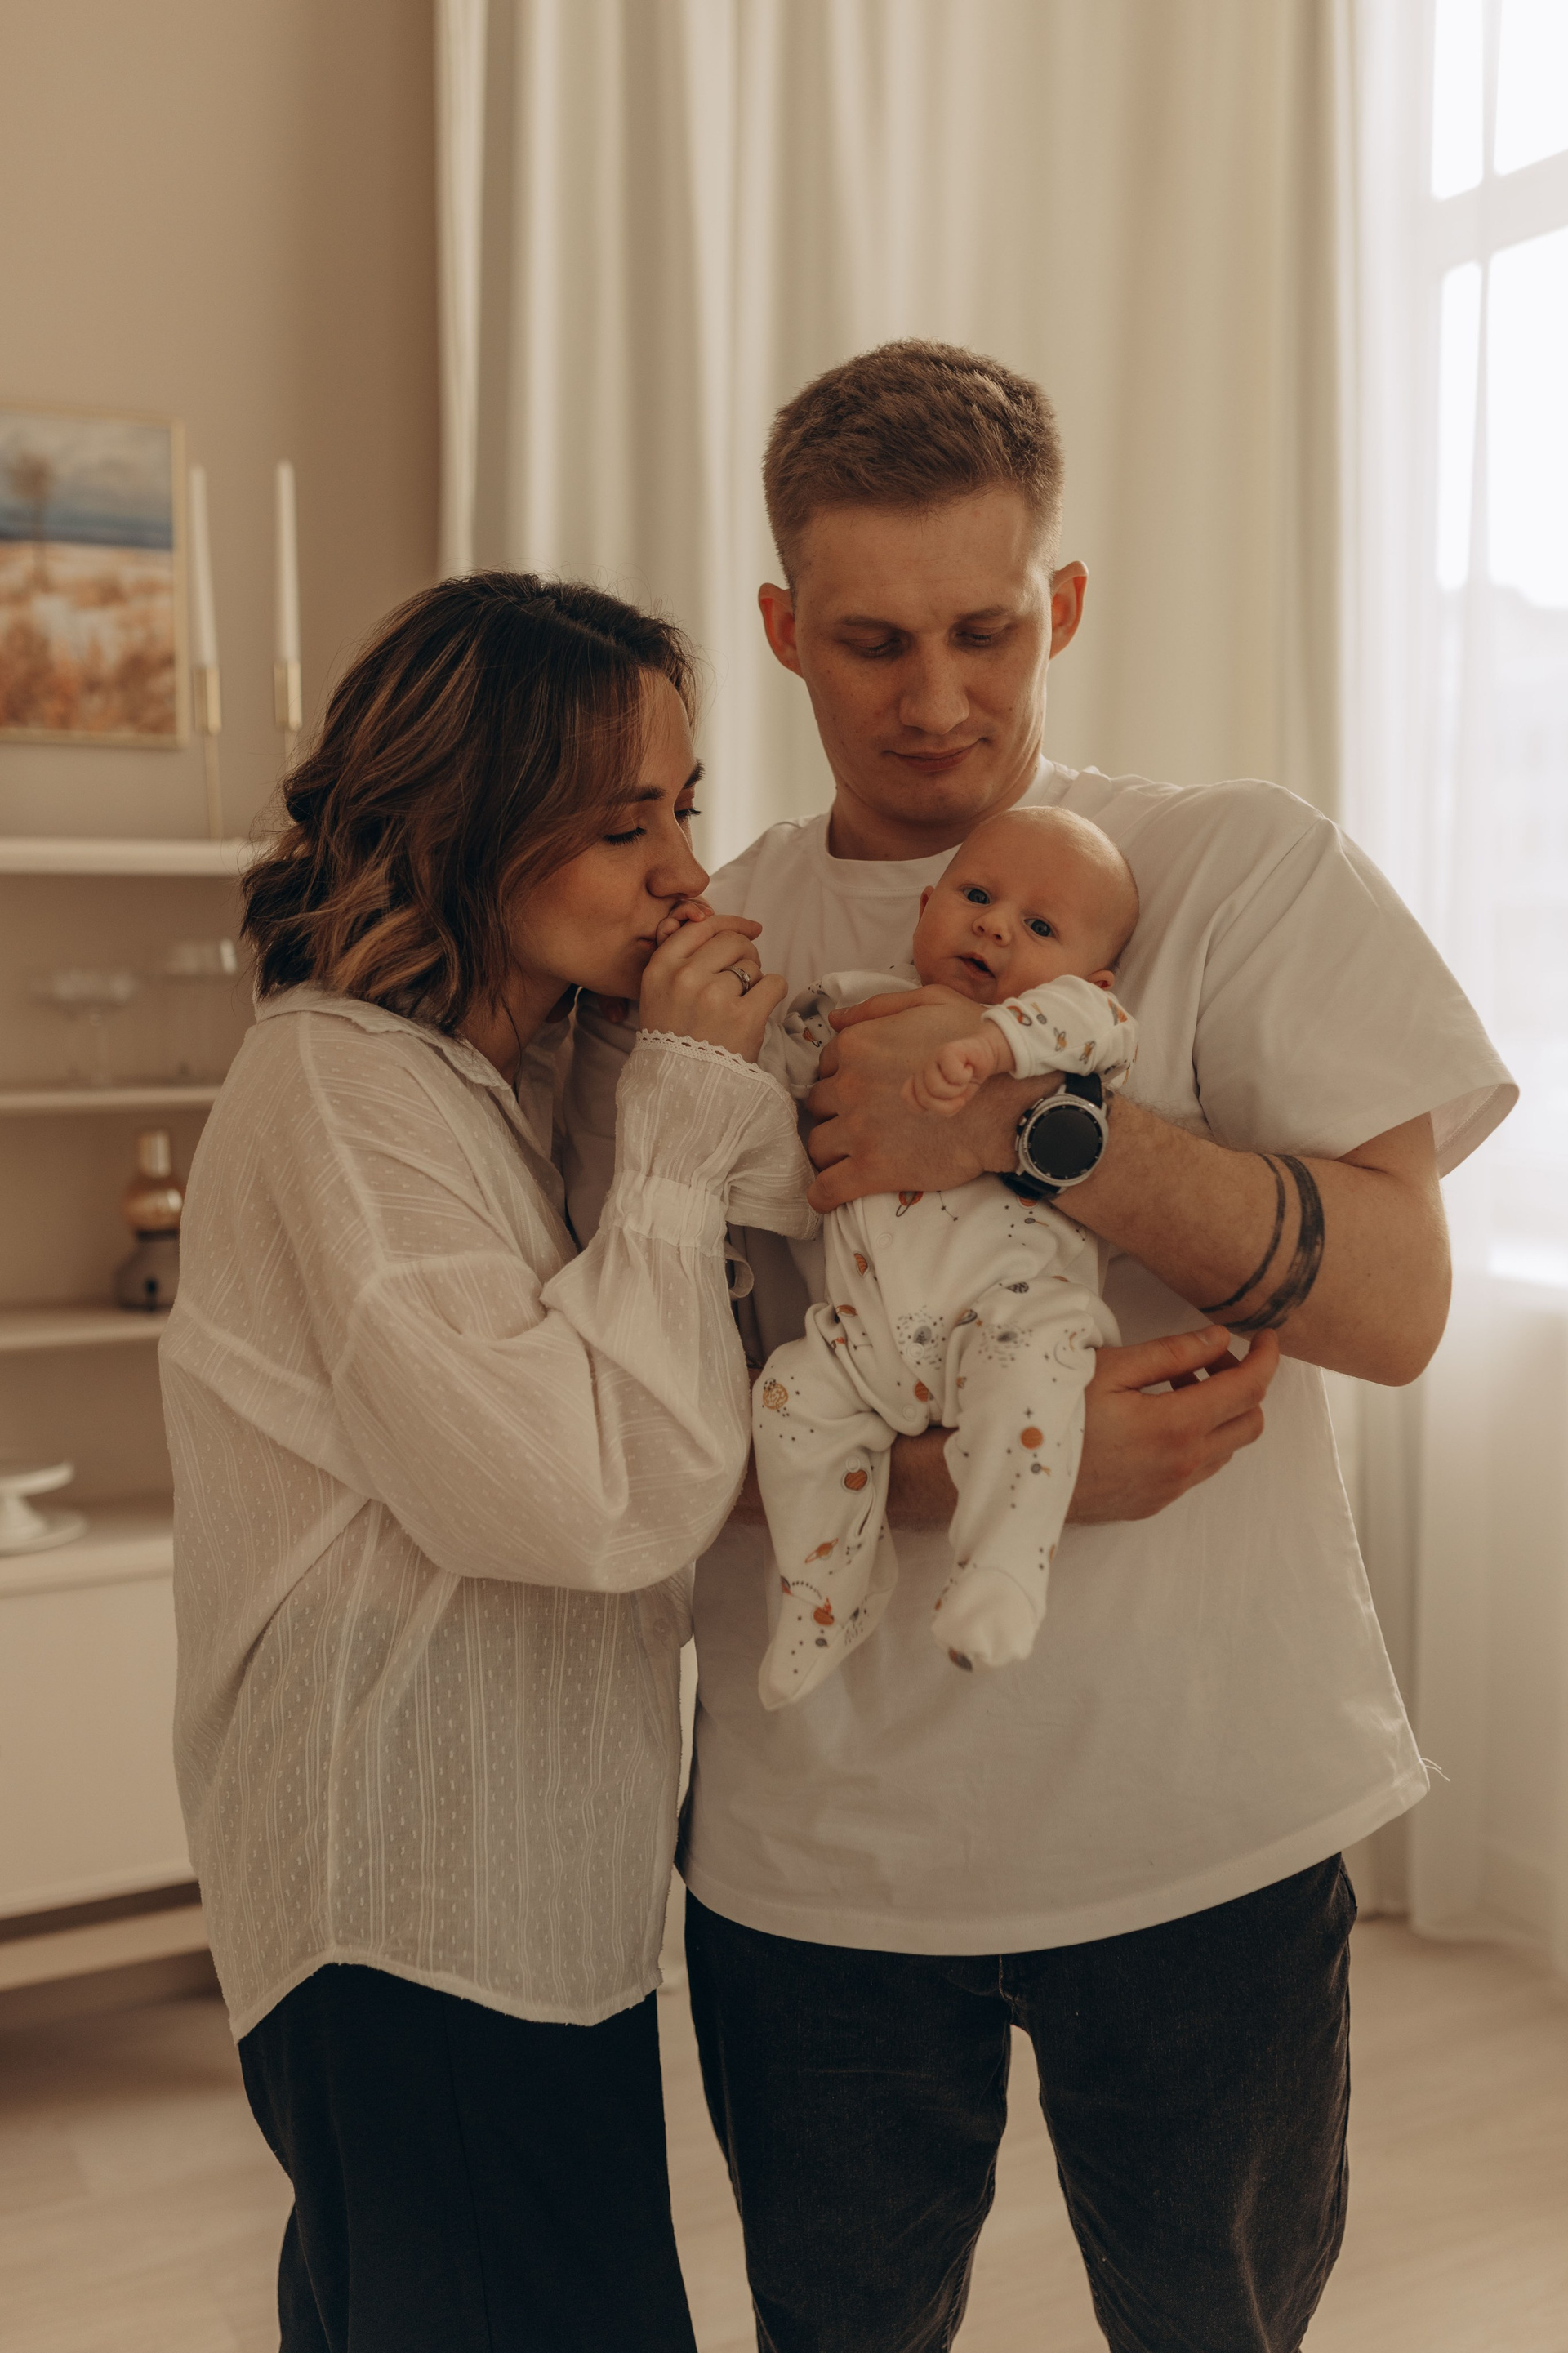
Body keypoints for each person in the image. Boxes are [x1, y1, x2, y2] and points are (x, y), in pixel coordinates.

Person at [565, 342, 1515, 2353]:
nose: (936, 696)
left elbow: (1401, 1303)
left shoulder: (1238, 867)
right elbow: (623, 1411)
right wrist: (968, 1475)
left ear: (1061, 602)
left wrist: (1025, 1124)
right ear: (782, 630)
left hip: (1202, 1827)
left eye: (986, 629)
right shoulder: (708, 948)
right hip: (817, 1860)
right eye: (873, 641)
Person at [161, 573, 814, 2353]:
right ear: (464, 824)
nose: (685, 869)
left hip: (504, 1897)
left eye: (682, 806)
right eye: (622, 825)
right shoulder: (340, 1094)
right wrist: (679, 1101)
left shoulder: (489, 1087)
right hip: (416, 1904)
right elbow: (586, 1496)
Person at [749, 804, 1140, 1705]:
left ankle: (1003, 1571)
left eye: (1040, 927)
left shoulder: (1072, 1027)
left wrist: (993, 1045)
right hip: (861, 1341)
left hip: (1009, 1315)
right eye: (977, 897)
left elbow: (1094, 1025)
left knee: (1032, 1401)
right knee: (786, 1401)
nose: (997, 926)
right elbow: (775, 1077)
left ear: (1092, 975)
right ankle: (824, 1595)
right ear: (926, 907)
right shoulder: (859, 1004)